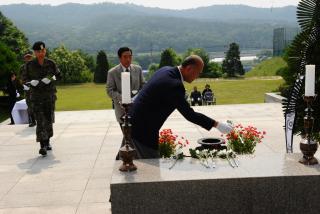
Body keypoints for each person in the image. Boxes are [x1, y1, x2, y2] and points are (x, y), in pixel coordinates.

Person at [130, 55, 233, 159]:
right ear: (189, 69)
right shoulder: (174, 85)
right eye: (198, 72)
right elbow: (190, 115)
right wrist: (218, 125)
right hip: (143, 131)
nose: (197, 76)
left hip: (133, 123)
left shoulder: (165, 70)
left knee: (125, 160)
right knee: (150, 168)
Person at [22, 41, 60, 156]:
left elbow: (58, 75)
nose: (41, 53)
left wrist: (51, 79)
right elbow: (24, 80)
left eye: (42, 51)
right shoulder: (29, 65)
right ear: (34, 52)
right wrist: (30, 82)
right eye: (38, 51)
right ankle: (42, 145)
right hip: (36, 97)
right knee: (40, 120)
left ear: (45, 50)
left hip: (49, 96)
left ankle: (47, 141)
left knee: (48, 119)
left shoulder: (51, 63)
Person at [106, 47, 145, 158]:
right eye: (125, 57)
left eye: (130, 56)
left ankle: (126, 157)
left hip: (137, 109)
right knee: (128, 136)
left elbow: (143, 86)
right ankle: (125, 158)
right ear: (120, 58)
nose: (128, 59)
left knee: (133, 136)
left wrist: (136, 98)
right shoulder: (112, 72)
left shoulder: (138, 69)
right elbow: (109, 90)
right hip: (122, 111)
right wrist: (123, 98)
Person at [21, 51, 36, 127]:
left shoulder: (35, 66)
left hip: (35, 89)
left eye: (29, 58)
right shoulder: (22, 67)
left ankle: (38, 120)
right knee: (29, 106)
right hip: (27, 89)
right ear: (24, 59)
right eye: (27, 58)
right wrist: (24, 84)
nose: (28, 59)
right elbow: (21, 78)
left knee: (37, 105)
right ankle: (32, 121)